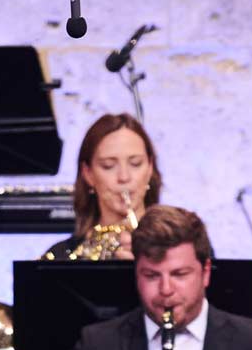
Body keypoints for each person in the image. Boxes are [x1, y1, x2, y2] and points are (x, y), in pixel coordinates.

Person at [62, 204, 252, 350]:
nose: (165, 290)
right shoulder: (96, 346)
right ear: (136, 273)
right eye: (151, 276)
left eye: (179, 274)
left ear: (205, 272)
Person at [42, 112, 162, 261]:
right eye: (108, 166)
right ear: (88, 173)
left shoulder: (180, 248)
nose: (124, 177)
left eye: (135, 163)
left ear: (150, 168)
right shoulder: (61, 258)